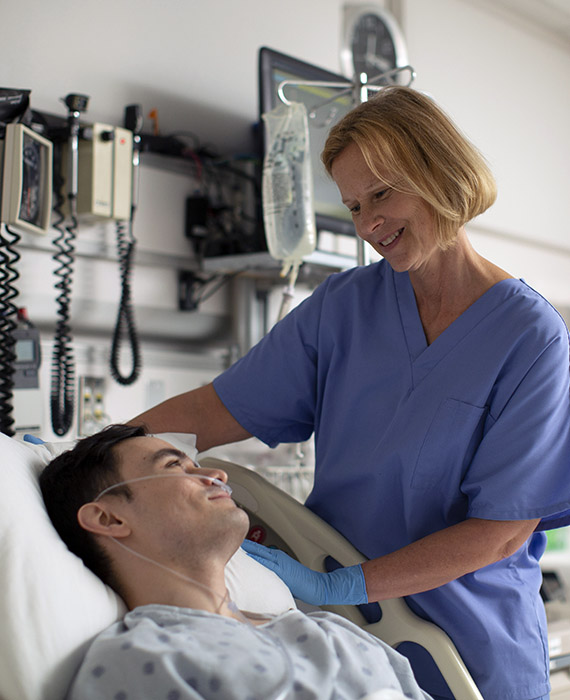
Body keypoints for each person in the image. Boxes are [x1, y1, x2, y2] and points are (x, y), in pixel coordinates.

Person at [130, 86, 570, 700]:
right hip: (352, 641)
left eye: (382, 194)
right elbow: (216, 409)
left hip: (473, 649)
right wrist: (94, 450)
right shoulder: (343, 308)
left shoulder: (530, 337)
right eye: (354, 206)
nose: (369, 225)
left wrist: (343, 585)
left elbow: (500, 530)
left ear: (438, 172)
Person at [39, 423, 431, 700]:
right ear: (109, 518)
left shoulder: (328, 631)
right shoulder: (143, 662)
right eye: (174, 466)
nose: (216, 473)